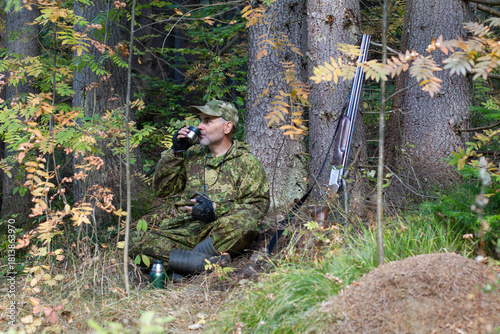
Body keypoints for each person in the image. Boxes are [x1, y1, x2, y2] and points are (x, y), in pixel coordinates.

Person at [132, 100, 270, 274]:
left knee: (245, 223)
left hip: (218, 232)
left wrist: (216, 209)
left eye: (207, 121)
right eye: (200, 120)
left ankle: (180, 266)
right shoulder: (191, 155)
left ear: (227, 127)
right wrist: (176, 151)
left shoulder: (246, 162)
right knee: (137, 242)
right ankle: (201, 265)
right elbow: (163, 191)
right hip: (184, 231)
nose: (199, 126)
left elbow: (258, 208)